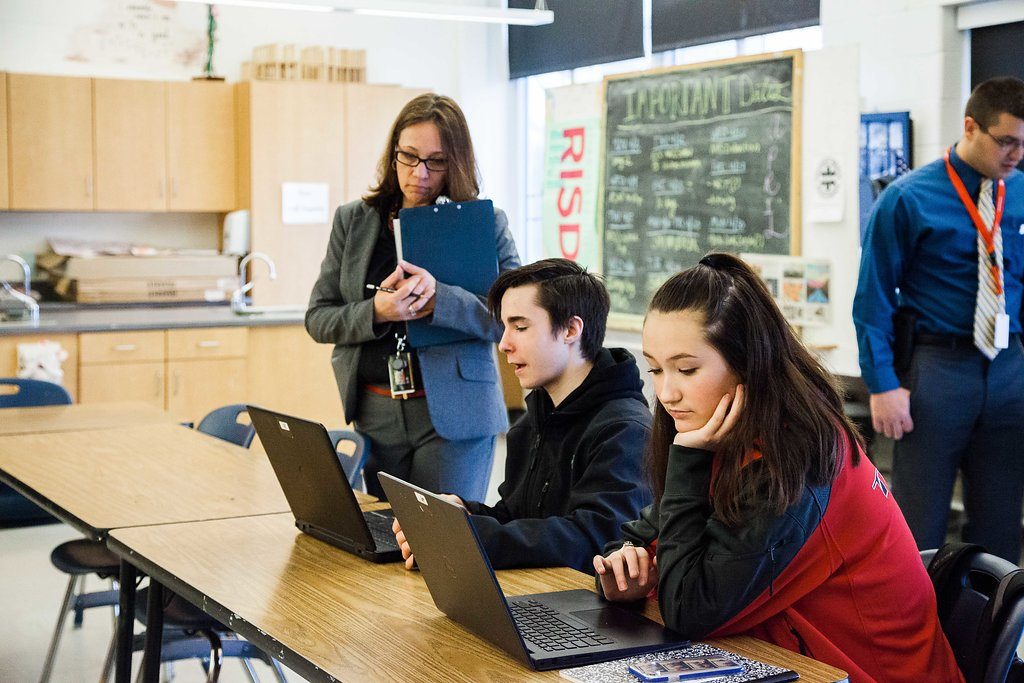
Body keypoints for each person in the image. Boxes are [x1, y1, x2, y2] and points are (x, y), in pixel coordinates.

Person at [595, 254, 963, 682]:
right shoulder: (725, 430)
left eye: (687, 369)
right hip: (789, 660)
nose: (667, 391)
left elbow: (690, 610)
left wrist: (688, 460)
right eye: (655, 369)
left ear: (747, 363)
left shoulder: (795, 455)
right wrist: (620, 568)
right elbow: (643, 535)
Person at [306, 93, 520, 502]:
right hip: (376, 413)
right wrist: (377, 312)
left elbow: (513, 317)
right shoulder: (354, 220)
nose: (419, 173)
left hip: (456, 415)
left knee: (444, 548)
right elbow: (318, 317)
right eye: (408, 156)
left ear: (455, 162)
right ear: (393, 154)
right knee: (387, 544)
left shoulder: (482, 222)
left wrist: (443, 300)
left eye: (435, 161)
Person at [853, 77, 1024, 562]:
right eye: (1006, 141)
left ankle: (996, 635)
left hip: (1008, 368)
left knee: (1000, 525)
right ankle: (918, 635)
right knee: (918, 527)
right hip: (936, 370)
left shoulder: (1021, 193)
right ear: (970, 127)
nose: (1015, 155)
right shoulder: (907, 199)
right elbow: (873, 299)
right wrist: (883, 385)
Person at [392, 258, 652, 572]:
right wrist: (464, 513)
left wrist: (471, 536)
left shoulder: (625, 431)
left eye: (520, 327)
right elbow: (518, 517)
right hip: (539, 598)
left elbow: (598, 542)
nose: (503, 344)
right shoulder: (533, 421)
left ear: (571, 329)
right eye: (504, 327)